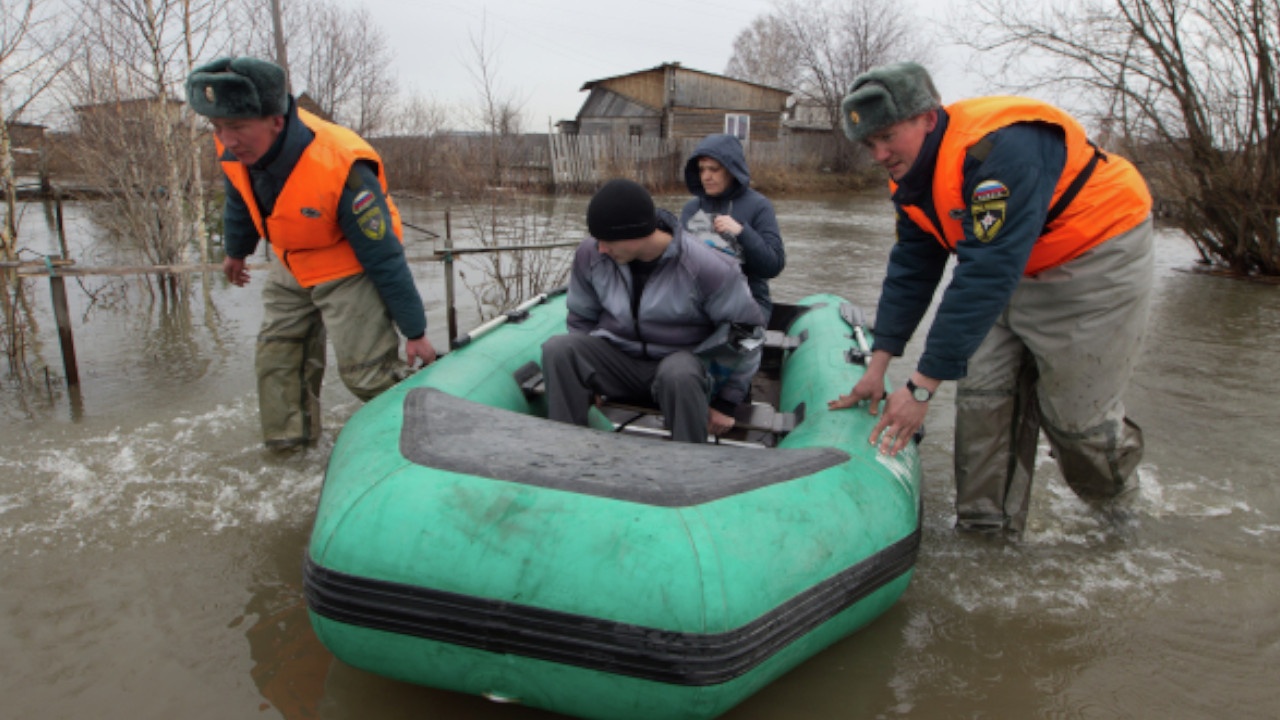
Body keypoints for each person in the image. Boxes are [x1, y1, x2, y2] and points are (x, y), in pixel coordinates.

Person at [827, 62, 1154, 534]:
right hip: (1006, 263)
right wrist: (878, 367)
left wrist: (920, 387)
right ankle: (986, 534)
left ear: (927, 118)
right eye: (868, 144)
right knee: (981, 400)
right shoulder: (909, 176)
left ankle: (1120, 512)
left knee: (1075, 423)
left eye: (887, 137)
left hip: (1093, 255)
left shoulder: (999, 150)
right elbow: (912, 267)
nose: (879, 154)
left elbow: (984, 274)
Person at [185, 56, 436, 450]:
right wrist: (236, 252)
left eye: (235, 127)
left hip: (347, 264)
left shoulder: (343, 166)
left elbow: (384, 256)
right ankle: (290, 448)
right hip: (291, 260)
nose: (226, 139)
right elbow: (238, 195)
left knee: (366, 374)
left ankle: (426, 438)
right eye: (217, 127)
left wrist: (416, 331)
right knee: (277, 361)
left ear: (276, 121)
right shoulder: (236, 150)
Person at [542, 178, 765, 443]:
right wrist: (585, 383)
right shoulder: (590, 255)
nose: (600, 248)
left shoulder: (708, 267)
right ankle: (567, 448)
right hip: (619, 362)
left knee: (678, 372)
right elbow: (581, 317)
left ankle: (687, 462)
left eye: (607, 240)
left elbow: (747, 333)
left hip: (681, 370)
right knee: (558, 349)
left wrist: (727, 402)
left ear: (636, 233)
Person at [679, 134, 786, 321]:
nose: (706, 176)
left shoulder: (759, 206)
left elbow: (773, 266)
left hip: (749, 301)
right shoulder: (691, 209)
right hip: (699, 301)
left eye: (714, 169)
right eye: (702, 169)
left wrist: (742, 233)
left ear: (731, 170)